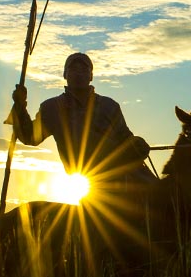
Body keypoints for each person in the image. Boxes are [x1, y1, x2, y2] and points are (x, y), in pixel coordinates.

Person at [8, 52, 155, 188]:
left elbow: (125, 137)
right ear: (65, 75)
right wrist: (20, 107)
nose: (78, 74)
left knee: (161, 194)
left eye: (84, 70)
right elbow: (30, 136)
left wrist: (138, 144)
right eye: (73, 69)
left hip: (126, 174)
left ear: (91, 76)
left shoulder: (109, 105)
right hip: (92, 181)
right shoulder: (52, 108)